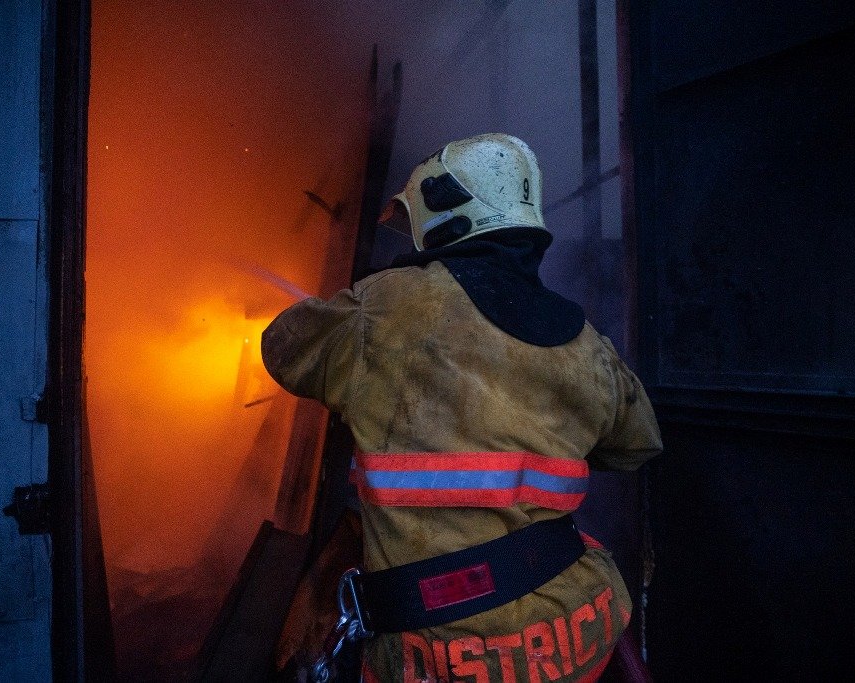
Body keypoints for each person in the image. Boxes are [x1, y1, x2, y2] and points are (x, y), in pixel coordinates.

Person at [263, 133, 662, 682]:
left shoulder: (394, 307)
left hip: (446, 658)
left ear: (444, 214)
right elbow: (638, 442)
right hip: (580, 632)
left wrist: (387, 294)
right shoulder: (587, 345)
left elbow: (283, 347)